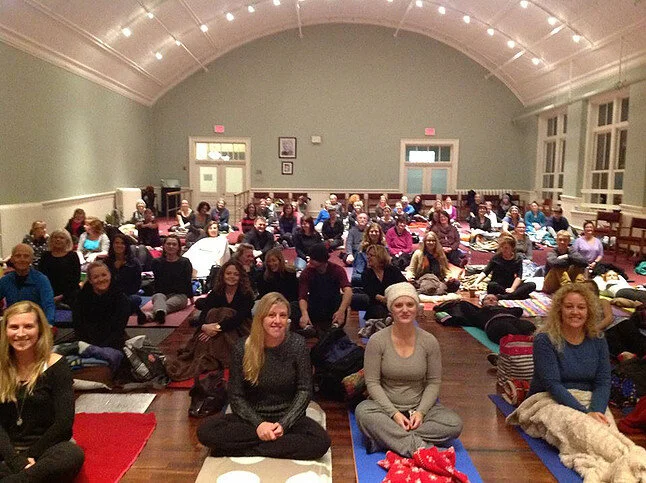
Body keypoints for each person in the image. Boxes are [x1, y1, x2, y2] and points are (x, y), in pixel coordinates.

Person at [196, 293, 331, 460]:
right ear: (261, 318)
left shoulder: (298, 345)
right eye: (271, 315)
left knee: (320, 442)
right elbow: (235, 395)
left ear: (288, 319)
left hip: (287, 418)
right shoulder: (242, 347)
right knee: (206, 431)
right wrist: (259, 425)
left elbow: (304, 390)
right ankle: (275, 446)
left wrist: (284, 424)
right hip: (251, 419)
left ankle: (244, 450)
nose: (277, 320)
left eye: (283, 315)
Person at [355, 282, 463, 457]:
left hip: (419, 410)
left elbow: (433, 382)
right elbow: (372, 383)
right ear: (391, 310)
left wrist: (421, 413)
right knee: (363, 412)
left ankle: (385, 439)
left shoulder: (429, 341)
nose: (405, 310)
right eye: (398, 305)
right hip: (385, 410)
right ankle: (423, 449)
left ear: (417, 308)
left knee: (453, 424)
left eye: (410, 304)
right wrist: (394, 414)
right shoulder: (377, 341)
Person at [0, 301, 85, 481]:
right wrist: (16, 461)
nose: (20, 333)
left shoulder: (56, 365)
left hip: (46, 448)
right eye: (14, 327)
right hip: (6, 451)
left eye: (28, 326)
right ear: (5, 331)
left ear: (40, 330)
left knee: (71, 454)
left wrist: (31, 455)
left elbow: (64, 423)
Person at [527, 284, 611, 424]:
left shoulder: (598, 339)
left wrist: (596, 410)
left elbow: (603, 382)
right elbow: (552, 384)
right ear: (559, 310)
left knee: (605, 428)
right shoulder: (545, 340)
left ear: (589, 311)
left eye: (581, 307)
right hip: (548, 399)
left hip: (589, 399)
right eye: (569, 306)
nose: (575, 312)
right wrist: (585, 414)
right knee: (582, 429)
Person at [192, 260, 255, 365]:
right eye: (228, 273)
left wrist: (216, 328)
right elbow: (204, 312)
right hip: (215, 327)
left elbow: (238, 319)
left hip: (239, 329)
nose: (232, 276)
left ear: (241, 277)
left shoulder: (246, 294)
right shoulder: (216, 292)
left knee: (226, 313)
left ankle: (220, 356)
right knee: (213, 313)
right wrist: (204, 327)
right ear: (223, 275)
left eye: (236, 274)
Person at [435, 294, 536, 344]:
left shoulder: (505, 309)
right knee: (509, 330)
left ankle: (528, 344)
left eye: (494, 299)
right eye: (488, 299)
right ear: (482, 303)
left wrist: (502, 308)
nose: (491, 300)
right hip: (495, 324)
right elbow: (463, 307)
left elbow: (518, 310)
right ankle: (521, 346)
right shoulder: (479, 312)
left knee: (528, 326)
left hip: (512, 319)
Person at [72, 262, 129, 350]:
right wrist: (90, 347)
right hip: (86, 343)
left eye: (104, 275)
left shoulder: (121, 298)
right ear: (90, 280)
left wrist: (101, 349)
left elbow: (118, 330)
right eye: (96, 277)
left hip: (114, 343)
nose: (101, 279)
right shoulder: (81, 298)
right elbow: (78, 327)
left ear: (110, 275)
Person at [298, 244, 352, 334]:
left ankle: (335, 325)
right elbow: (302, 296)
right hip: (315, 305)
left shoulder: (337, 270)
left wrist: (341, 310)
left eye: (313, 259)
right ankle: (308, 326)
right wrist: (304, 313)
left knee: (341, 299)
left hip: (332, 306)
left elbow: (348, 290)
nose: (309, 261)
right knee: (295, 306)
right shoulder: (306, 273)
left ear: (322, 260)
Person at [0, 244, 55, 324]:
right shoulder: (5, 280)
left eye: (26, 256)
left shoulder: (41, 280)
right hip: (12, 322)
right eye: (18, 256)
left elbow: (49, 305)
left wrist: (48, 324)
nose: (22, 259)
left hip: (35, 323)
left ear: (31, 260)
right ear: (11, 259)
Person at [468, 236, 536, 300]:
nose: (503, 250)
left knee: (532, 285)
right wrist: (475, 283)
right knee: (491, 285)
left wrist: (512, 288)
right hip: (498, 285)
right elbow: (485, 272)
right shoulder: (496, 257)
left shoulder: (518, 259)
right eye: (502, 247)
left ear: (512, 248)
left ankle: (503, 297)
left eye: (506, 248)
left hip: (510, 285)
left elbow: (519, 276)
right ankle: (514, 296)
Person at [150, 235, 194, 324]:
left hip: (179, 295)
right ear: (164, 246)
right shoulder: (156, 262)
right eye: (168, 244)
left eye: (174, 244)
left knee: (167, 305)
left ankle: (154, 314)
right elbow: (157, 282)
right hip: (161, 294)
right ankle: (158, 313)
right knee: (158, 297)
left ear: (178, 247)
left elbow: (187, 281)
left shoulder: (185, 262)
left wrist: (191, 298)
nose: (171, 246)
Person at [105, 233, 146, 324]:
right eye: (116, 243)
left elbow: (136, 285)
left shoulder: (134, 263)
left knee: (134, 299)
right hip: (109, 294)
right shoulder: (107, 262)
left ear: (126, 246)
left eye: (122, 243)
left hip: (127, 294)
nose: (119, 245)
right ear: (112, 245)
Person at [37, 230, 80, 309]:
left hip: (68, 297)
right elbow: (40, 276)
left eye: (61, 238)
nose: (58, 239)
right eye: (55, 237)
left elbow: (75, 279)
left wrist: (62, 296)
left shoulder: (72, 256)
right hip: (47, 296)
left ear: (67, 241)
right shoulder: (45, 256)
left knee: (64, 316)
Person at [362, 245, 406, 320]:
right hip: (376, 305)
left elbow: (404, 284)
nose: (368, 257)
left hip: (395, 302)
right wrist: (385, 300)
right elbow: (370, 292)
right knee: (378, 311)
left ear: (380, 257)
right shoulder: (366, 273)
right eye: (367, 255)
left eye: (371, 255)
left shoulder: (393, 270)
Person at [257, 248, 300, 323]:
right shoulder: (263, 277)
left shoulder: (290, 274)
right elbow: (264, 296)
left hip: (288, 303)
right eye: (269, 261)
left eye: (274, 260)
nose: (271, 264)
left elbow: (295, 294)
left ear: (280, 260)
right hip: (270, 304)